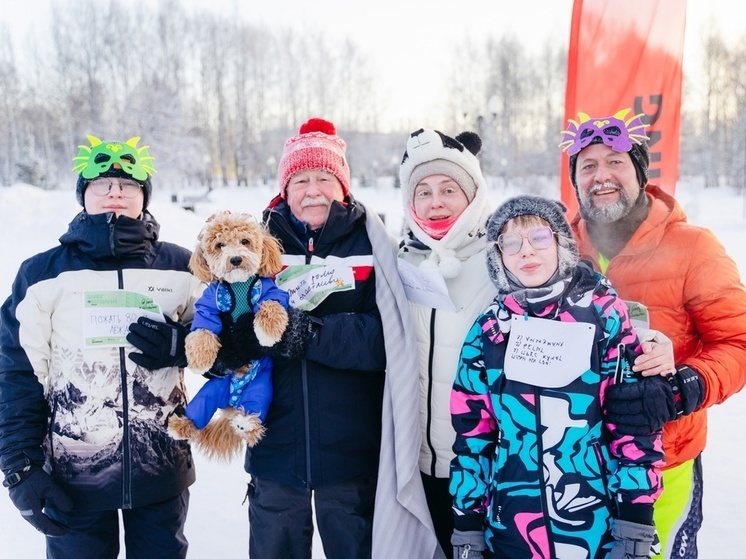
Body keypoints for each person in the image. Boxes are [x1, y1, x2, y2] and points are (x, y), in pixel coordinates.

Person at [212, 117, 427, 559]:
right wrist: (227, 346)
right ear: (284, 189)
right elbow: (217, 323)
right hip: (274, 450)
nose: (313, 190)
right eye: (301, 179)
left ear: (343, 185)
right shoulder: (253, 244)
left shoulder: (373, 244)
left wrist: (307, 333)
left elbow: (387, 339)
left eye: (325, 178)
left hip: (350, 453)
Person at [0, 135, 202, 558]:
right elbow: (15, 370)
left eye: (128, 185)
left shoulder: (183, 267)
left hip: (160, 468)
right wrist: (19, 467)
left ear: (143, 197)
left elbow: (229, 349)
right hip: (73, 476)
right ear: (83, 195)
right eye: (101, 183)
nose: (115, 191)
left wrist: (183, 345)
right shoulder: (41, 275)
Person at [560, 108, 746, 558]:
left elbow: (737, 341)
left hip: (666, 463)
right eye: (588, 166)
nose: (601, 176)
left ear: (640, 172)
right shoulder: (555, 248)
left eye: (615, 161)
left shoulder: (693, 248)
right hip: (574, 467)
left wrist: (685, 387)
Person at [449, 194, 665, 559]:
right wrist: (467, 521)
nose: (526, 252)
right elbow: (473, 434)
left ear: (561, 243)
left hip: (596, 521)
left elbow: (633, 423)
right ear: (498, 257)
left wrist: (635, 517)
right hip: (513, 523)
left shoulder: (603, 315)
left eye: (539, 238)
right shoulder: (489, 330)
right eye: (511, 242)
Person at [395, 127, 496, 557]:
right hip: (416, 468)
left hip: (484, 468)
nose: (435, 202)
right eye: (424, 191)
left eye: (449, 189)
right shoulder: (397, 262)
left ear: (472, 193)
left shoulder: (505, 260)